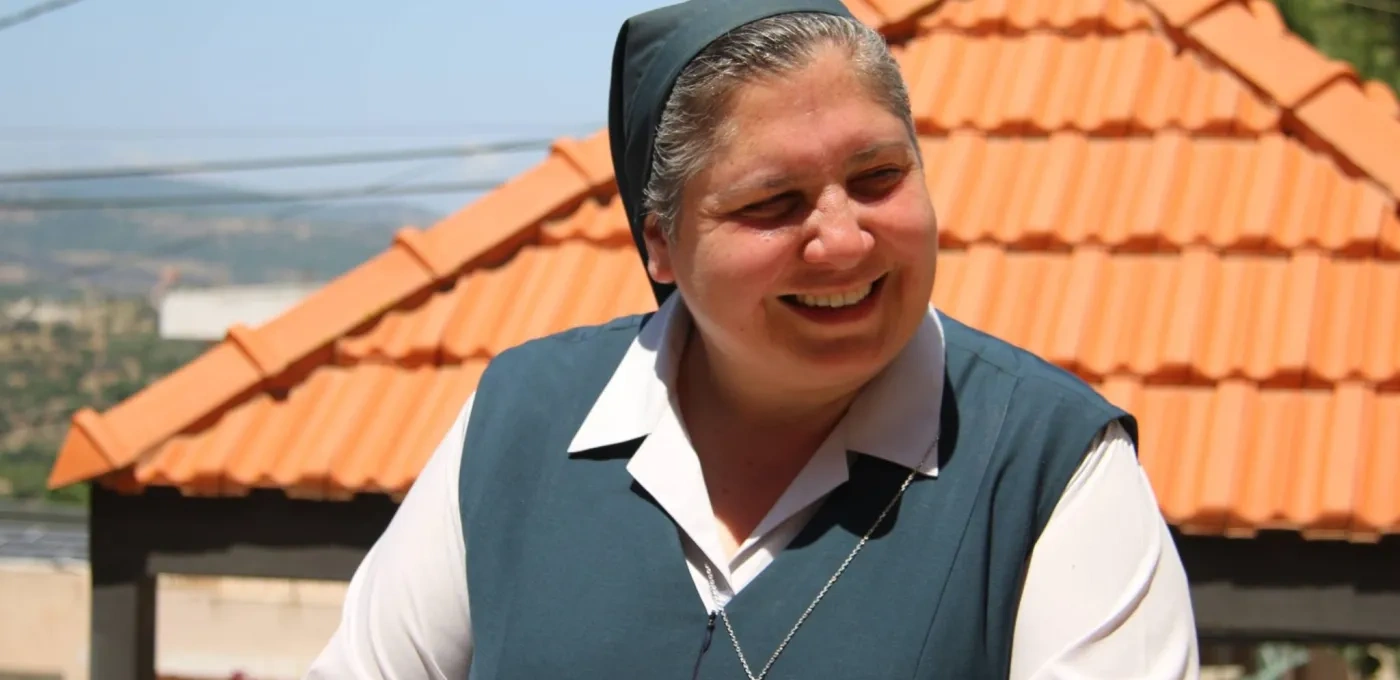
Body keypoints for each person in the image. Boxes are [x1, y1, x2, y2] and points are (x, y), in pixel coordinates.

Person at [307, 1, 1201, 678]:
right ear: (660, 242)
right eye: (773, 204)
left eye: (880, 176)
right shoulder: (520, 426)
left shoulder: (1051, 471)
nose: (845, 239)